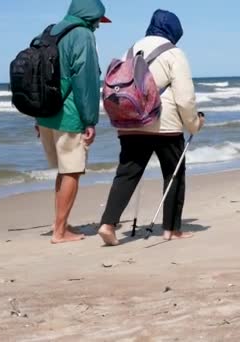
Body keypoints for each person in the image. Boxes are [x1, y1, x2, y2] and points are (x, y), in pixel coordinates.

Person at [98, 9, 205, 246]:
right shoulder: (173, 53)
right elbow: (185, 98)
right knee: (173, 173)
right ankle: (171, 229)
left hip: (130, 121)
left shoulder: (129, 51)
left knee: (126, 173)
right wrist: (194, 124)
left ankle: (107, 224)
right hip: (164, 125)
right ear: (174, 31)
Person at [36, 0, 111, 244]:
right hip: (68, 115)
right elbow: (86, 81)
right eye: (98, 22)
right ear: (91, 17)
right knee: (73, 170)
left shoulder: (49, 32)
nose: (98, 27)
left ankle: (60, 222)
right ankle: (59, 232)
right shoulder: (82, 35)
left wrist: (37, 115)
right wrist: (90, 120)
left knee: (64, 170)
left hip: (45, 112)